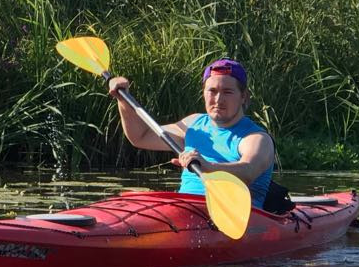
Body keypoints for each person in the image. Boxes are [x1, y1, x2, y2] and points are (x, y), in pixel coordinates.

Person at [108, 58, 275, 209]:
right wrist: (123, 98)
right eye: (212, 91)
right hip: (185, 210)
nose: (218, 100)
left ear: (244, 96)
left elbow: (248, 171)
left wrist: (208, 167)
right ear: (203, 93)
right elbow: (141, 136)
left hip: (236, 216)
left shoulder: (256, 138)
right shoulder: (193, 125)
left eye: (227, 92)